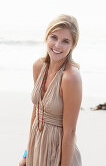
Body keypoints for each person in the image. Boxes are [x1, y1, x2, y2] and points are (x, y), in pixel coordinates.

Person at [19, 14, 82, 166]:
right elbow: (36, 112)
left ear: (72, 45)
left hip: (58, 151)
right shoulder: (38, 66)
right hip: (37, 145)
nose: (57, 45)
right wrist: (27, 154)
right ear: (46, 37)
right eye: (54, 37)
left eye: (65, 41)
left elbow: (70, 131)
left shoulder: (70, 78)